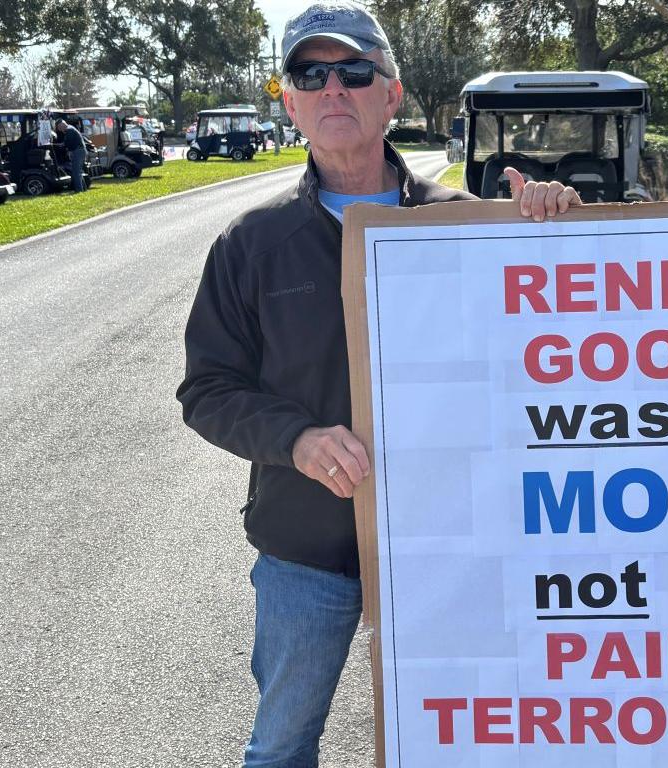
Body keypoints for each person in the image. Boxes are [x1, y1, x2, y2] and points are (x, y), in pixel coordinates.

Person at [175, 3, 580, 767]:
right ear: (289, 102)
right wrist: (294, 440)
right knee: (281, 746)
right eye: (310, 74)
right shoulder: (251, 244)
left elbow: (559, 345)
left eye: (355, 71)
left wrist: (554, 230)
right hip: (306, 549)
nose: (334, 89)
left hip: (456, 546)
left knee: (467, 741)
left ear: (390, 95)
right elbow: (209, 389)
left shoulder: (469, 225)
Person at [55, 119, 86, 193]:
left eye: (59, 128)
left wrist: (61, 145)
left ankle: (79, 190)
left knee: (75, 172)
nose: (59, 130)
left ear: (61, 125)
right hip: (80, 151)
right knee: (78, 172)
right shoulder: (70, 128)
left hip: (77, 151)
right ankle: (83, 189)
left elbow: (68, 144)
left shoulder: (69, 130)